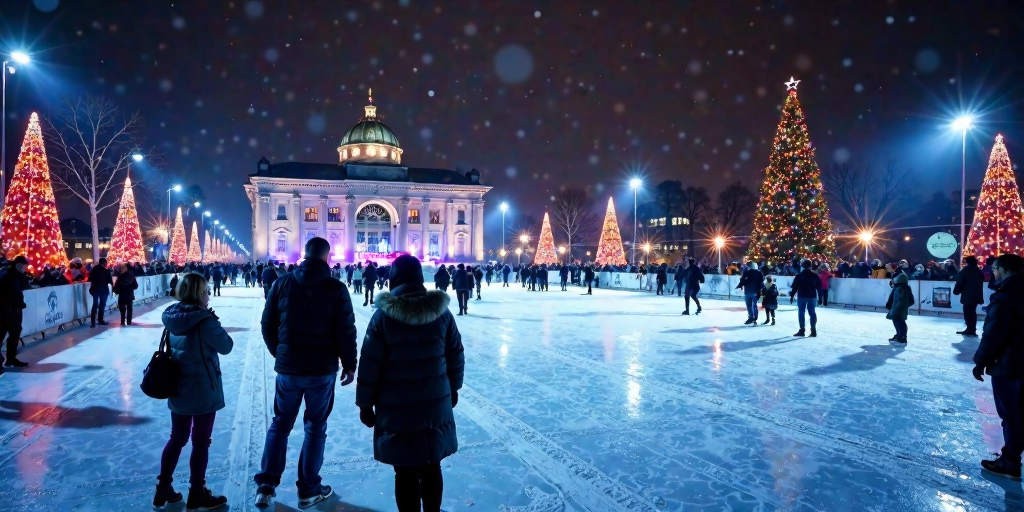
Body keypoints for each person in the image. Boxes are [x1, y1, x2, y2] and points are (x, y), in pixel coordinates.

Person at [254, 237, 358, 509]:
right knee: (315, 427)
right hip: (321, 371)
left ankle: (266, 485)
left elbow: (267, 323)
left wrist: (281, 353)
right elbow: (346, 330)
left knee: (280, 423)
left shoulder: (282, 283)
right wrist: (349, 363)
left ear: (304, 255)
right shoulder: (336, 288)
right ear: (327, 257)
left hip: (290, 369)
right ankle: (308, 489)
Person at [356, 255, 465, 512]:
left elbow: (370, 363)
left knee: (404, 472)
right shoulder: (442, 313)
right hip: (435, 401)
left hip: (396, 406)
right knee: (431, 465)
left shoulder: (383, 317)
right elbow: (456, 353)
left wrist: (365, 403)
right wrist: (454, 387)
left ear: (394, 278)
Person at [154, 273, 234, 511]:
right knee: (200, 442)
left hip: (178, 386)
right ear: (200, 293)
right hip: (202, 388)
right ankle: (197, 492)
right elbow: (226, 346)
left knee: (177, 438)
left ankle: (163, 488)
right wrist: (213, 321)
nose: (209, 295)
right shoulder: (204, 320)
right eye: (206, 291)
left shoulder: (172, 316)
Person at [973, 254, 1024, 479]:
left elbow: (994, 333)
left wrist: (980, 360)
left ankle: (1010, 461)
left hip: (1010, 364)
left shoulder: (1006, 295)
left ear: (1002, 270)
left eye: (994, 269)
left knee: (1012, 415)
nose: (992, 273)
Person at [0, 256, 31, 369]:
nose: (25, 267)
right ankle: (8, 359)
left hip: (14, 309)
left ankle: (11, 358)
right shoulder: (8, 276)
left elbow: (21, 288)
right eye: (24, 265)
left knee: (14, 334)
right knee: (4, 333)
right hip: (8, 310)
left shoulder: (17, 276)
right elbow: (9, 294)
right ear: (18, 264)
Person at [789, 259, 822, 337]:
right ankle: (813, 330)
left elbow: (795, 287)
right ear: (810, 266)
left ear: (803, 266)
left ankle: (802, 330)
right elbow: (819, 288)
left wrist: (792, 296)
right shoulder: (815, 275)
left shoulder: (799, 275)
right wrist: (820, 298)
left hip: (802, 296)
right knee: (812, 313)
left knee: (801, 312)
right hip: (812, 296)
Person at [954, 255, 985, 337]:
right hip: (977, 295)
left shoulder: (965, 271)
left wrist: (956, 291)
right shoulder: (979, 271)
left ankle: (970, 329)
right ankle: (972, 328)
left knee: (968, 312)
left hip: (968, 295)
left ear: (967, 262)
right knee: (972, 312)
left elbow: (960, 282)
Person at [885, 273, 914, 344]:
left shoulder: (902, 288)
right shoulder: (897, 287)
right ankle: (899, 335)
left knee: (900, 322)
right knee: (896, 321)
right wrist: (890, 304)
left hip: (899, 309)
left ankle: (902, 336)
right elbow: (892, 297)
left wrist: (902, 306)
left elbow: (909, 300)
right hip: (895, 308)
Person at [88, 257, 114, 328]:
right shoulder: (106, 270)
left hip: (95, 289)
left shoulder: (93, 269)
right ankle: (100, 320)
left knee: (95, 305)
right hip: (103, 290)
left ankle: (93, 322)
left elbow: (89, 279)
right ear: (105, 263)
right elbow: (110, 281)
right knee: (102, 305)